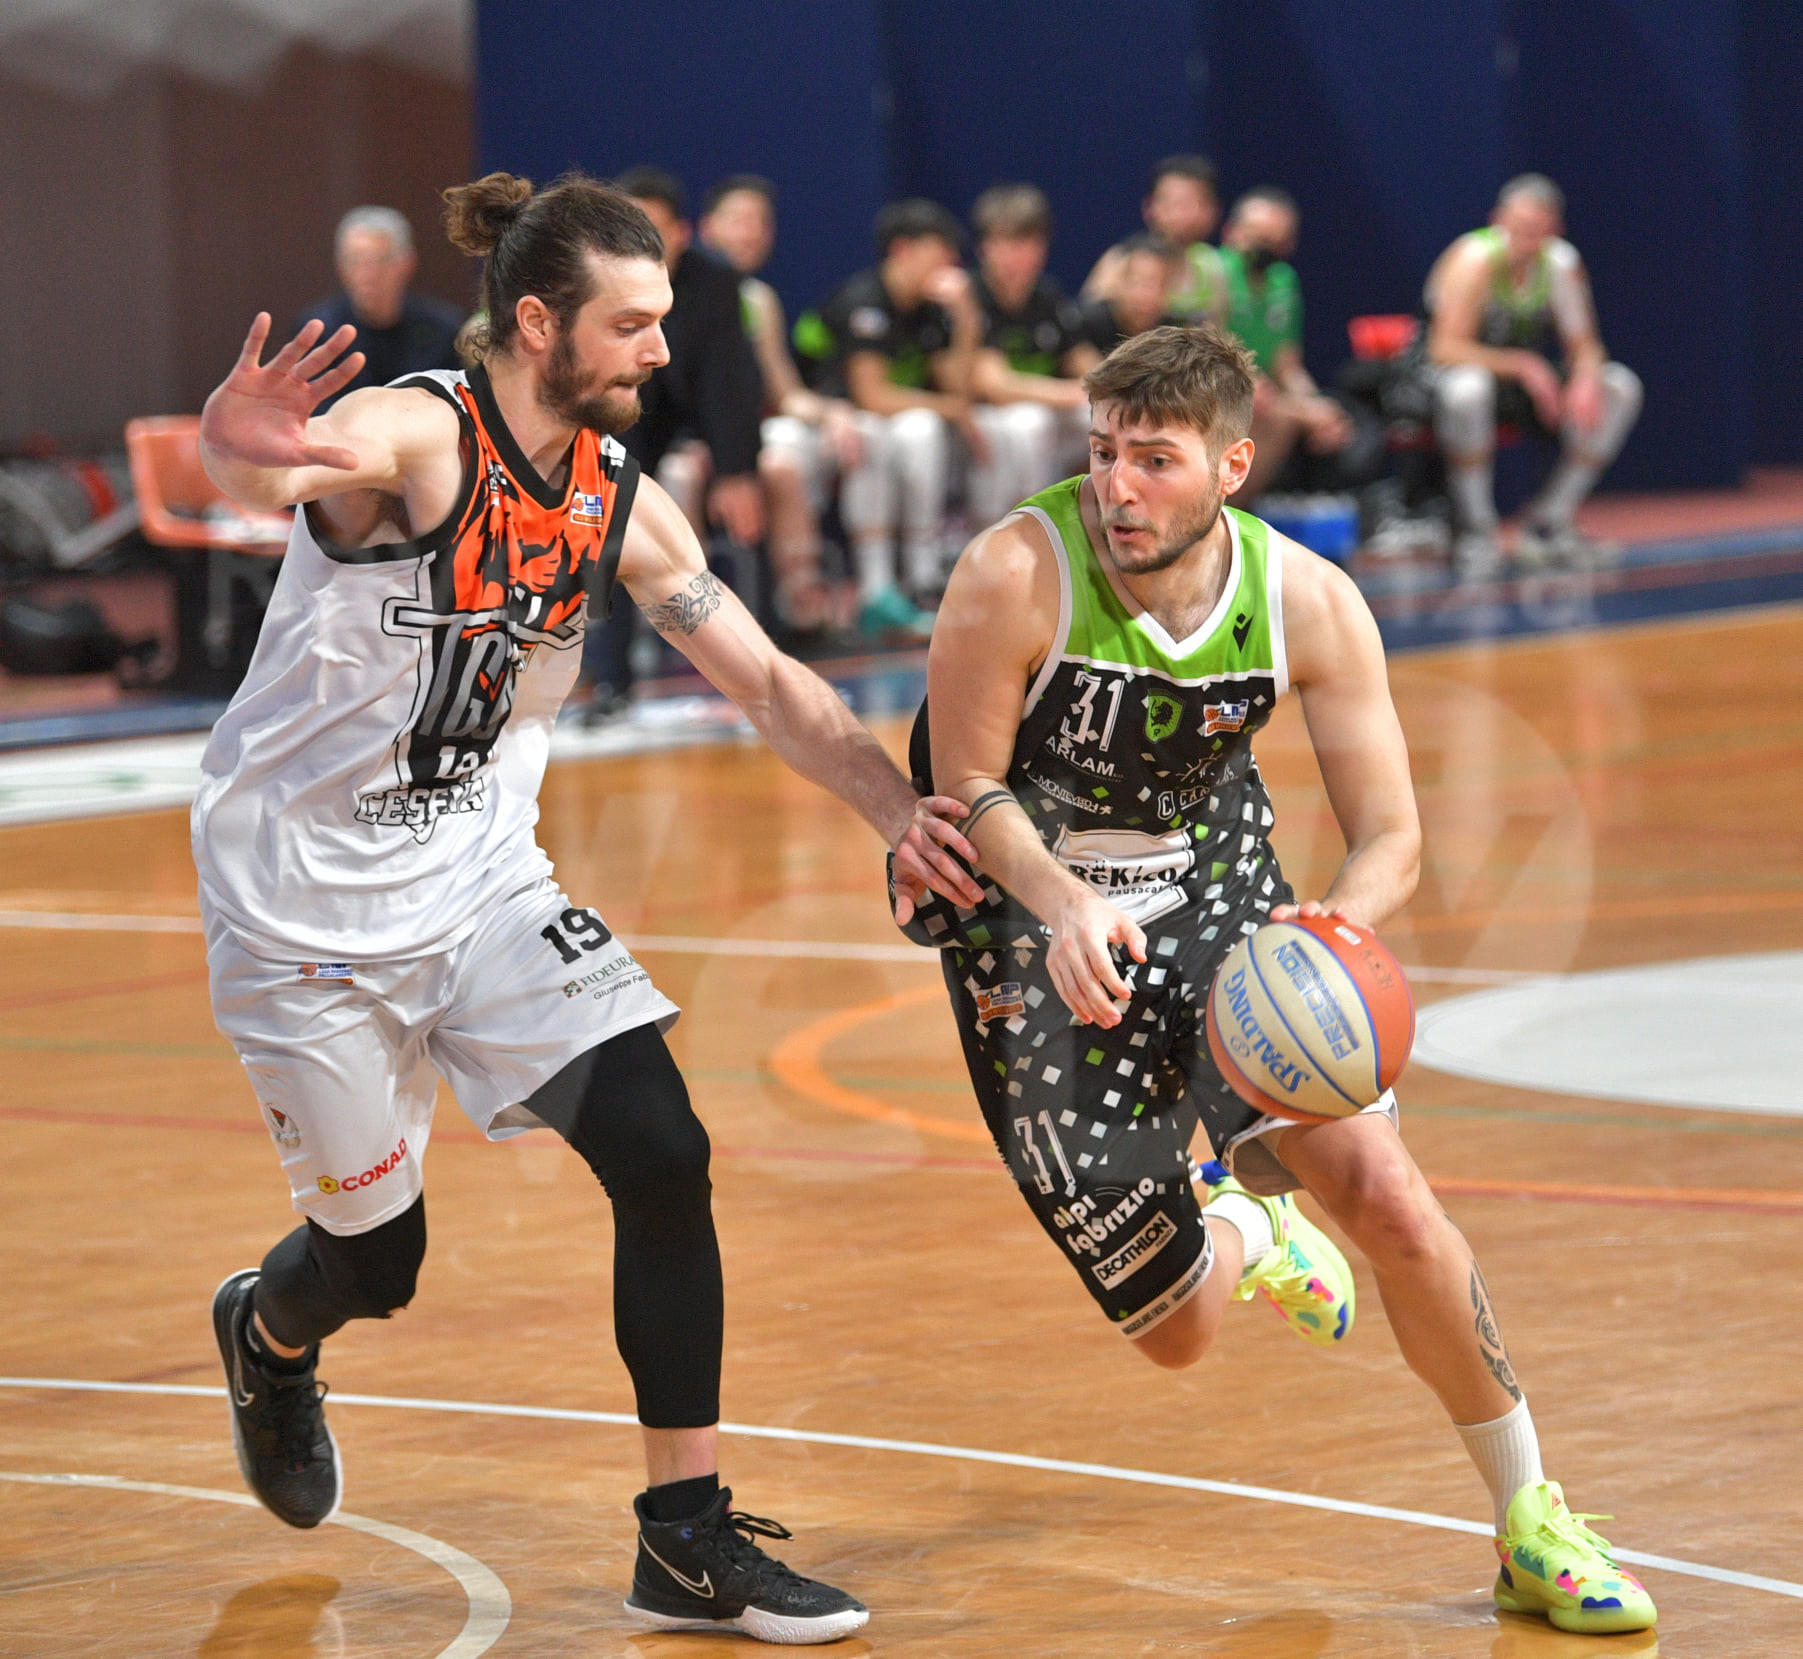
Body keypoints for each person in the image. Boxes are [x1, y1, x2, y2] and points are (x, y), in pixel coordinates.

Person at [193, 169, 984, 1645]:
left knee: (662, 1147)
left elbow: (770, 684)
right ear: (539, 323)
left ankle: (682, 1539)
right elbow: (285, 468)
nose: (660, 350)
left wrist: (897, 811)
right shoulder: (422, 436)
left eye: (663, 319)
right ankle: (270, 1330)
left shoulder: (619, 497)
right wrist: (234, 447)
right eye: (631, 324)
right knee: (375, 1262)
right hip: (302, 915)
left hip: (483, 884)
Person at [893, 324, 1656, 1638]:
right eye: (1101, 453)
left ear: (1232, 466)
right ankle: (1250, 1229)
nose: (1117, 486)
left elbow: (1392, 835)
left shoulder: (1306, 600)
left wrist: (1328, 937)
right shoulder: (1012, 571)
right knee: (1176, 1330)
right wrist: (1064, 904)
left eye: (1154, 459)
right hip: (1029, 931)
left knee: (1392, 1200)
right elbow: (965, 786)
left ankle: (1531, 1517)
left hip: (1220, 899)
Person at [583, 167, 767, 710]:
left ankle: (755, 663)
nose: (640, 247)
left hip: (694, 418)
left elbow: (729, 382)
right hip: (621, 416)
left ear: (683, 234)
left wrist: (735, 470)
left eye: (654, 233)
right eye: (628, 234)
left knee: (737, 502)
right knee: (610, 505)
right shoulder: (594, 284)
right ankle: (611, 675)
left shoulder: (716, 284)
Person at [1425, 174, 1642, 573]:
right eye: (1519, 226)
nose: (1526, 237)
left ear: (1554, 228)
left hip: (1521, 385)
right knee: (1468, 389)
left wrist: (1585, 376)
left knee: (1620, 387)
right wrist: (1524, 365)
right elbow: (1444, 348)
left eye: (1537, 229)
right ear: (1498, 220)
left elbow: (1586, 345)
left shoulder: (1560, 263)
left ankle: (1549, 521)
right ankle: (1477, 529)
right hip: (1448, 379)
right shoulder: (1473, 259)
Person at [793, 199, 985, 635]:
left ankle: (922, 577)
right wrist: (955, 411)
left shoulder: (931, 310)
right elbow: (871, 395)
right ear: (903, 249)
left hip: (880, 421)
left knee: (922, 429)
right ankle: (876, 587)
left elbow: (958, 388)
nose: (950, 263)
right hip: (821, 419)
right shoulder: (864, 300)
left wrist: (966, 318)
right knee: (887, 432)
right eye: (939, 250)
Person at [699, 174, 859, 634]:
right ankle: (691, 623)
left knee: (784, 465)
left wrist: (833, 412)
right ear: (707, 228)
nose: (751, 233)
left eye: (761, 222)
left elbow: (784, 392)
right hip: (693, 439)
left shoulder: (758, 299)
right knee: (683, 474)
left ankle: (803, 609)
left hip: (748, 437)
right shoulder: (675, 294)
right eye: (739, 220)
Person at [1217, 187, 1379, 503]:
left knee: (1342, 421)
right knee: (1279, 416)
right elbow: (1209, 347)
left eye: (1277, 240)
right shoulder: (1215, 271)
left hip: (1267, 394)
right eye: (1258, 236)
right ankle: (1222, 511)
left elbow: (1287, 366)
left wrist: (1316, 407)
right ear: (1231, 232)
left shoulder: (1283, 280)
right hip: (1223, 387)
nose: (1266, 248)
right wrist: (1298, 410)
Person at [966, 183, 1101, 524]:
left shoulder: (1048, 296)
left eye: (1025, 244)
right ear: (984, 247)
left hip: (1040, 407)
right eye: (1004, 243)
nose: (1015, 256)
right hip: (981, 415)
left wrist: (1110, 390)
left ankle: (1093, 519)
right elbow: (993, 385)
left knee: (1105, 417)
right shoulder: (970, 297)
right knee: (1029, 423)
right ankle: (1028, 525)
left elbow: (1086, 363)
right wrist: (1069, 392)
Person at [294, 207, 465, 409]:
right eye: (355, 261)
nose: (367, 275)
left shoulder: (443, 329)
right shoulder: (319, 332)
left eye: (380, 261)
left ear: (407, 262)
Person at [1084, 156, 1227, 328]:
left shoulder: (1211, 265)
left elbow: (1216, 331)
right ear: (1149, 207)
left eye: (1198, 202)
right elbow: (1088, 328)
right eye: (1176, 203)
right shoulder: (1119, 260)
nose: (1187, 214)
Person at [1077, 234, 1181, 354]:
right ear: (1118, 281)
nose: (1146, 296)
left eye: (1160, 285)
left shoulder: (1174, 334)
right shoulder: (1082, 328)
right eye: (1138, 282)